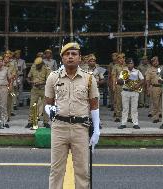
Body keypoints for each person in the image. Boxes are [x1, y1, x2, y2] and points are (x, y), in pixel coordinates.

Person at [45, 42, 100, 189]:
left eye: (74, 54)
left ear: (80, 58)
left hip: (80, 128)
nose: (70, 57)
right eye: (67, 54)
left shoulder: (89, 79)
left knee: (82, 171)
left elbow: (94, 105)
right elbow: (47, 102)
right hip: (59, 128)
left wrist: (96, 131)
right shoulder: (53, 77)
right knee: (56, 170)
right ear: (62, 58)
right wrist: (48, 110)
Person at [118, 58, 144, 129]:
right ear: (126, 64)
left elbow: (142, 80)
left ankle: (135, 123)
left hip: (134, 92)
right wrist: (125, 81)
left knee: (134, 108)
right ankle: (123, 123)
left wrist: (138, 85)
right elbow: (119, 81)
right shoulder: (124, 72)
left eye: (132, 63)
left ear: (133, 64)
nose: (130, 64)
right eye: (129, 63)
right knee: (125, 108)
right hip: (125, 91)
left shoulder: (137, 71)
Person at [25, 57, 51, 129]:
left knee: (45, 106)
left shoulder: (46, 68)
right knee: (32, 105)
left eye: (38, 65)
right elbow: (28, 77)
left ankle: (46, 122)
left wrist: (41, 83)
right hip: (35, 89)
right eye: (36, 65)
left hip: (44, 89)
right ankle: (31, 122)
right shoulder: (33, 67)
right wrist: (29, 81)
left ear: (41, 64)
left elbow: (49, 80)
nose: (37, 66)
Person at [145, 56, 162, 123]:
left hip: (162, 87)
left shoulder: (161, 69)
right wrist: (148, 89)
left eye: (157, 61)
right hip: (154, 87)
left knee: (161, 103)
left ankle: (160, 115)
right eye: (154, 61)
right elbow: (148, 80)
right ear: (152, 62)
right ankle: (155, 117)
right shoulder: (149, 70)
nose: (156, 62)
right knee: (155, 103)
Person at [111, 53, 126, 122]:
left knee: (126, 101)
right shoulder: (115, 67)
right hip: (119, 86)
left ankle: (126, 116)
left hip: (126, 86)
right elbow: (114, 77)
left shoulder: (127, 66)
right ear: (118, 59)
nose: (121, 59)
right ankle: (117, 116)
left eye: (123, 58)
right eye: (120, 58)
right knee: (118, 101)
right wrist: (114, 86)